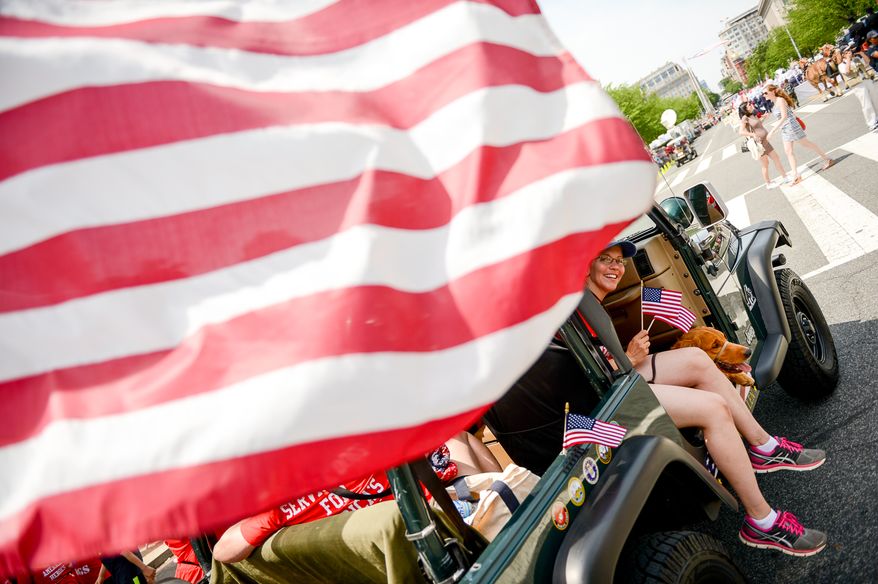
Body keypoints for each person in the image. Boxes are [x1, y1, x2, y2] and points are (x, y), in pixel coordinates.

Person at [587, 242, 827, 556]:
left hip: (617, 376)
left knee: (697, 359)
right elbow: (588, 380)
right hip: (606, 400)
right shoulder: (575, 307)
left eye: (619, 262)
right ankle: (762, 522)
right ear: (586, 265)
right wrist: (628, 360)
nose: (615, 268)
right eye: (605, 260)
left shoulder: (591, 303)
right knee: (714, 408)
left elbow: (599, 363)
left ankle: (764, 447)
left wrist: (626, 359)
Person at [763, 83, 834, 184]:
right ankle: (796, 175)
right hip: (785, 129)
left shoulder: (780, 100)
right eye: (763, 94)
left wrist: (772, 131)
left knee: (807, 144)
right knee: (788, 151)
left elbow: (784, 117)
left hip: (791, 126)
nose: (764, 95)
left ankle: (827, 159)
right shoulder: (774, 104)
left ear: (773, 91)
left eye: (765, 93)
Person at [738, 101, 789, 189]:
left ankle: (785, 177)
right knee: (765, 164)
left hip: (765, 141)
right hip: (759, 144)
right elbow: (741, 131)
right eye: (749, 105)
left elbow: (758, 125)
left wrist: (764, 117)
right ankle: (768, 184)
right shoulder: (745, 118)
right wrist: (753, 135)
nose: (751, 104)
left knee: (776, 158)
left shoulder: (753, 114)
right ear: (746, 109)